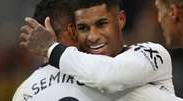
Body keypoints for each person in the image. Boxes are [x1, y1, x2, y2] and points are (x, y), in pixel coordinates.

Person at [18, 0, 183, 100]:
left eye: (102, 24)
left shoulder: (151, 53)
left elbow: (107, 76)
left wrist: (51, 48)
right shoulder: (28, 90)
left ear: (121, 20)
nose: (93, 37)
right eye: (83, 28)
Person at [13, 0, 113, 101]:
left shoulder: (24, 92)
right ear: (72, 31)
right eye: (83, 27)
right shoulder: (108, 76)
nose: (92, 36)